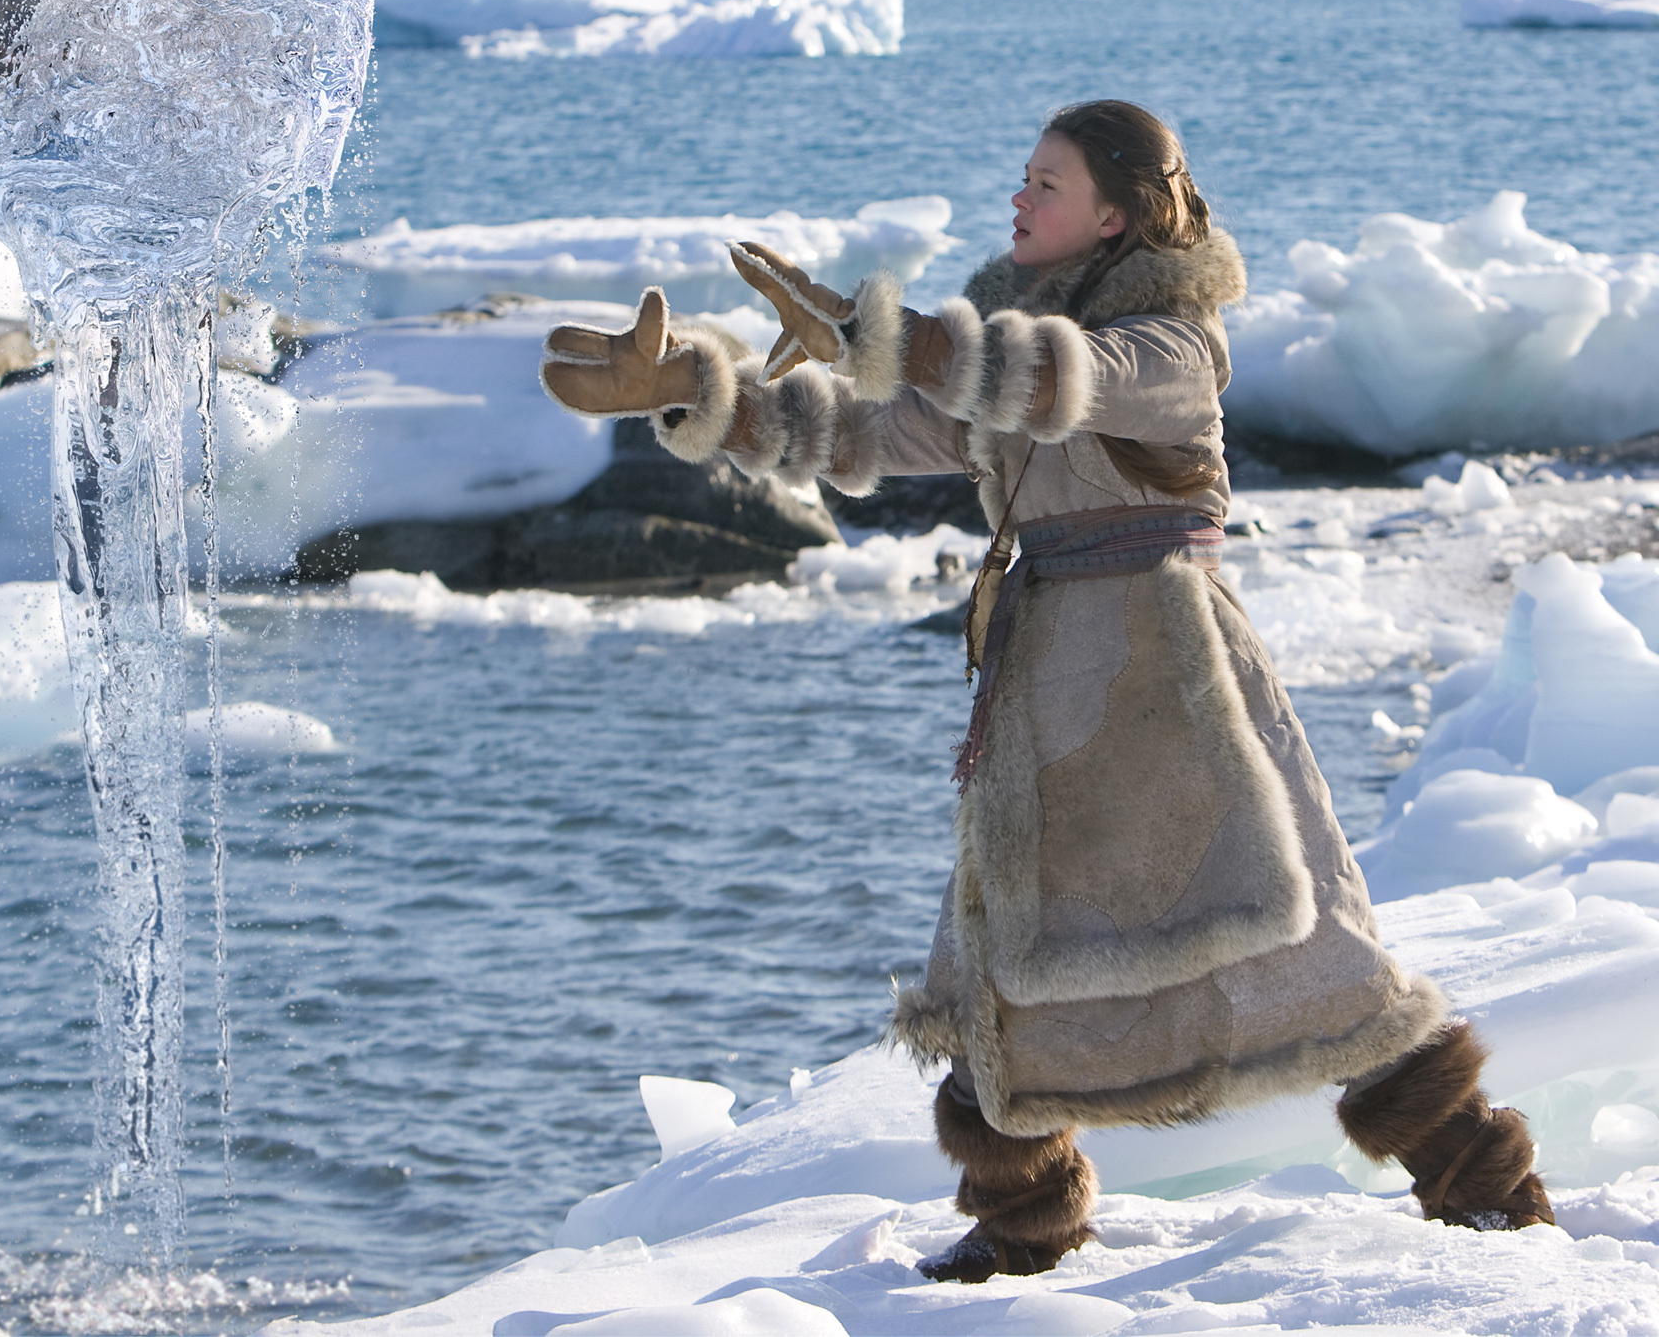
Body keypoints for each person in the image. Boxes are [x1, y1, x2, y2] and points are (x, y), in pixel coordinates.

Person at [538, 99, 1553, 1283]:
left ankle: (1480, 1184)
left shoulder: (1170, 343)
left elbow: (1049, 379)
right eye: (1020, 177)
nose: (1018, 196)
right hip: (1043, 684)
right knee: (996, 959)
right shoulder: (1007, 350)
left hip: (1173, 685)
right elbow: (867, 437)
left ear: (1114, 215)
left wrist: (889, 331)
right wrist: (698, 397)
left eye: (1046, 182)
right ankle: (1023, 1223)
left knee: (1302, 952)